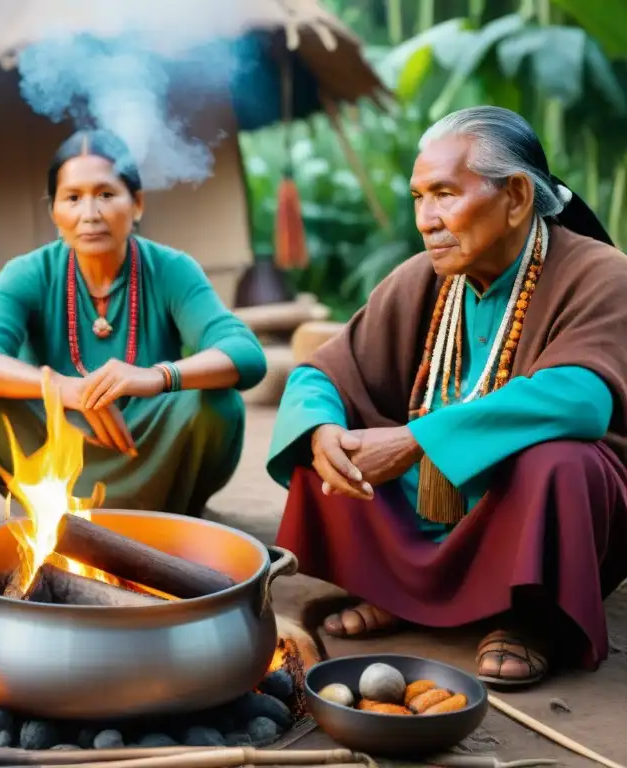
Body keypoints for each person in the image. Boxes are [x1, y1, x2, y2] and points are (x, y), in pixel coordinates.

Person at [266, 106, 627, 687]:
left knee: (559, 461)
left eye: (444, 194)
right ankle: (404, 594)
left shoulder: (600, 273)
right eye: (417, 197)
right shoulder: (425, 277)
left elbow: (582, 398)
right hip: (431, 502)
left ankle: (531, 618)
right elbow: (323, 372)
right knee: (330, 447)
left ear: (514, 197)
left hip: (529, 502)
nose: (426, 219)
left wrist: (415, 441)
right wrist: (322, 432)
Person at [0, 129, 266, 517]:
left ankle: (171, 510)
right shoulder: (28, 272)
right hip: (62, 434)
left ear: (137, 203)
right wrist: (63, 388)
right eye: (73, 198)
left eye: (106, 194)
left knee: (218, 402)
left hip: (149, 437)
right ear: (54, 212)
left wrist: (156, 377)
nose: (90, 214)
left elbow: (245, 353)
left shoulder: (172, 268)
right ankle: (50, 515)